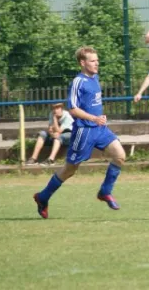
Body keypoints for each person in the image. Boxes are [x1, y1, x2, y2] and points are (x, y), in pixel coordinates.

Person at [33, 47, 126, 219]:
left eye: (97, 60)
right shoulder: (78, 82)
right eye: (92, 61)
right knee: (69, 170)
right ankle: (42, 197)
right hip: (83, 132)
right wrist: (94, 118)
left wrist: (99, 118)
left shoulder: (95, 77)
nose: (96, 63)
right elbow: (73, 109)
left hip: (99, 129)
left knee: (120, 156)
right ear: (83, 63)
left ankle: (105, 192)